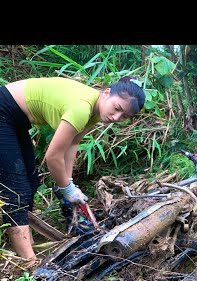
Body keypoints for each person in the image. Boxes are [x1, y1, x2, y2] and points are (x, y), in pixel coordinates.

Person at [0, 75, 145, 263]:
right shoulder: (81, 108)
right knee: (17, 190)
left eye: (124, 116)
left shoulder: (94, 113)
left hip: (15, 120)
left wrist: (68, 184)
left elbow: (72, 144)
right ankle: (30, 264)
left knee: (30, 180)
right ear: (107, 92)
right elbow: (52, 156)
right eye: (117, 108)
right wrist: (66, 189)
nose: (116, 117)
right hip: (4, 110)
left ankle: (23, 237)